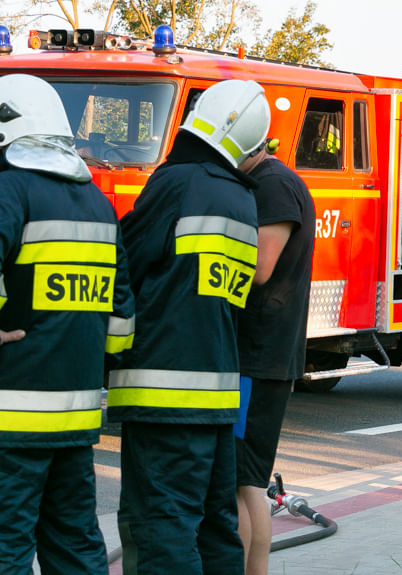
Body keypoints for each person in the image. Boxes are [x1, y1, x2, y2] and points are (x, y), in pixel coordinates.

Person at [107, 79, 270, 574]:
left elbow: (125, 260)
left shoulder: (177, 183)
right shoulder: (244, 200)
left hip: (162, 394)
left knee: (161, 528)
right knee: (216, 528)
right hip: (217, 395)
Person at [0, 74, 134, 575]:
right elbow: (122, 320)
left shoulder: (9, 190)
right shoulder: (97, 203)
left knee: (6, 545)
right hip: (76, 419)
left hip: (10, 416)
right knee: (74, 544)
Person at [232, 140, 315, 575]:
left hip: (258, 360)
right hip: (262, 357)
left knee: (243, 483)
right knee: (245, 481)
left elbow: (260, 269)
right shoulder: (272, 181)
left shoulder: (274, 186)